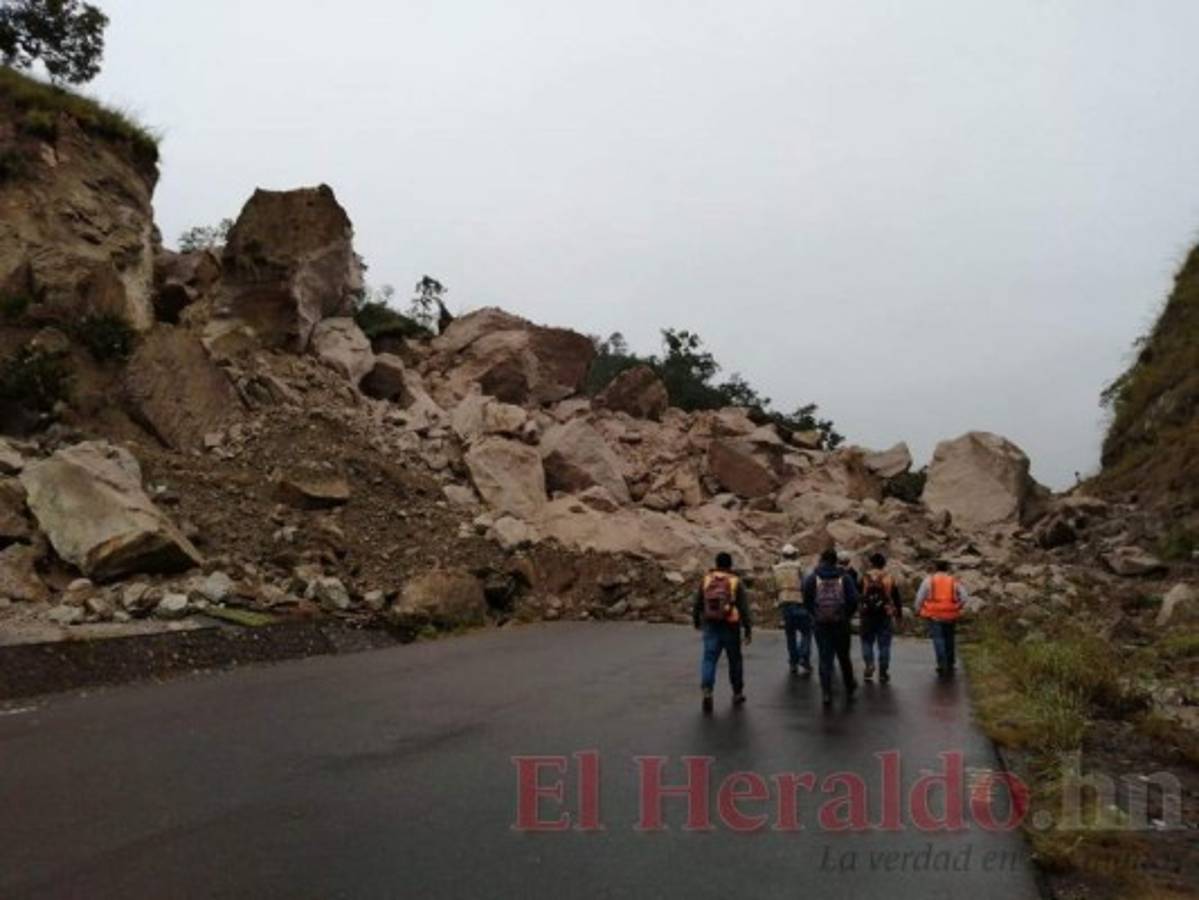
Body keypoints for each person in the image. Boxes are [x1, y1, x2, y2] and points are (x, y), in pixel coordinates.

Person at [692, 552, 753, 712]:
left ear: (716, 563)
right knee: (735, 660)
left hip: (710, 623)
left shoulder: (706, 579)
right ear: (730, 565)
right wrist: (748, 628)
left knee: (709, 658)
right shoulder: (735, 581)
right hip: (730, 625)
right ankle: (737, 692)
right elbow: (744, 607)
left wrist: (696, 620)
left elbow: (698, 601)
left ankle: (707, 690)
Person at [803, 548, 859, 707]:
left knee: (825, 658)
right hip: (841, 623)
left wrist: (814, 615)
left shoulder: (813, 578)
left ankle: (826, 693)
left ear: (821, 560)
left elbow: (806, 599)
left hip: (821, 624)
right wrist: (846, 615)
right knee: (844, 657)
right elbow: (854, 600)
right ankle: (849, 686)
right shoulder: (845, 578)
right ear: (836, 561)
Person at [914, 560, 968, 677]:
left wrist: (917, 610)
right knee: (949, 638)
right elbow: (964, 596)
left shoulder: (929, 580)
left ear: (935, 568)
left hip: (934, 615)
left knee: (938, 639)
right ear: (947, 568)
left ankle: (941, 663)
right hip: (950, 614)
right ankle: (950, 662)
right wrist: (958, 606)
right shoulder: (953, 581)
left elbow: (920, 597)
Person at [859, 552, 902, 683]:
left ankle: (869, 664)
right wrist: (898, 614)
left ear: (871, 563)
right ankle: (883, 671)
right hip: (885, 613)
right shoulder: (889, 578)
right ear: (884, 564)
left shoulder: (865, 577)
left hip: (867, 614)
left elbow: (859, 595)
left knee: (866, 641)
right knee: (884, 644)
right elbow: (896, 598)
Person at [773, 544, 811, 676]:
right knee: (806, 632)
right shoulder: (799, 567)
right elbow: (806, 584)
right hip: (799, 602)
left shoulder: (776, 569)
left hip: (784, 603)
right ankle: (804, 657)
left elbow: (773, 587)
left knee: (790, 635)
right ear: (795, 555)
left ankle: (793, 663)